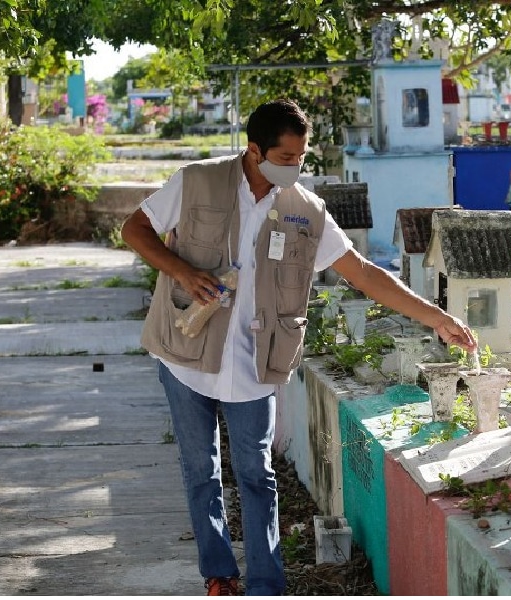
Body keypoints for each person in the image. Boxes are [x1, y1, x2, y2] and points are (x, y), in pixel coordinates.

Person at [120, 98, 476, 596]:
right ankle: (219, 574)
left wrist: (436, 317)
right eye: (284, 159)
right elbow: (133, 228)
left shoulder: (306, 211)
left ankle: (267, 585)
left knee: (256, 475)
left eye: (301, 159)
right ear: (253, 150)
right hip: (186, 353)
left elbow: (364, 274)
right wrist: (181, 269)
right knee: (200, 470)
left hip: (255, 362)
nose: (294, 168)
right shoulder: (196, 181)